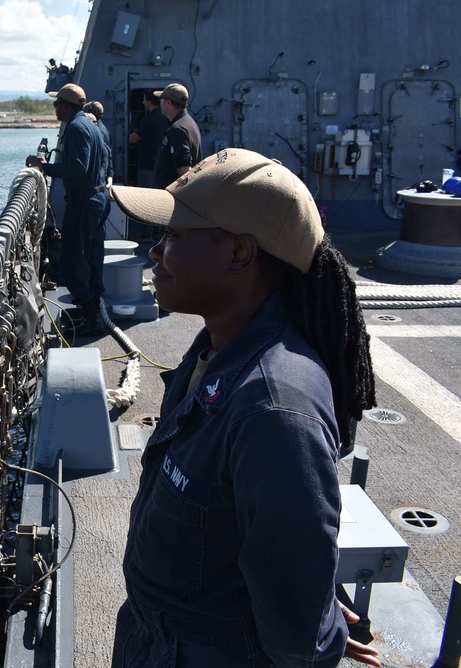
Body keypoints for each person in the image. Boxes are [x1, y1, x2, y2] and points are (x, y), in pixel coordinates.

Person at [107, 149, 381, 667]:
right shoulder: (214, 351)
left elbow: (296, 637)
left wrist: (317, 624)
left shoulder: (274, 410)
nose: (154, 254)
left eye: (173, 237)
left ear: (239, 255)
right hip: (158, 635)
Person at [26, 83, 108, 333]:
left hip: (84, 202)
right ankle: (93, 309)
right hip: (96, 198)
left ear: (66, 106)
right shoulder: (91, 126)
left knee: (72, 260)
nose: (55, 110)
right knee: (92, 257)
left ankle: (89, 312)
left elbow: (78, 167)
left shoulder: (75, 128)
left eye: (56, 105)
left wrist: (44, 167)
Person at [152, 83, 202, 189]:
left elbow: (185, 171)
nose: (160, 103)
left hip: (172, 198)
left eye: (161, 100)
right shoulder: (189, 122)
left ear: (168, 103)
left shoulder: (178, 129)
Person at [128, 90, 170, 188]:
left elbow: (132, 139)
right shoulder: (166, 117)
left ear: (149, 102)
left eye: (144, 100)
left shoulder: (149, 119)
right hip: (162, 164)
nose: (143, 102)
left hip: (148, 166)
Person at [84, 100, 114, 235]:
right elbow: (109, 159)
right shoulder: (104, 131)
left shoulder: (95, 133)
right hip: (103, 190)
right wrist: (109, 181)